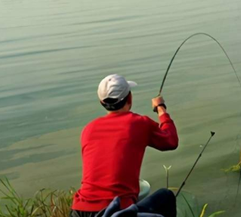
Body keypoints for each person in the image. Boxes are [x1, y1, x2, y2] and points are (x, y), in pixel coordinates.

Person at [70, 74, 179, 217]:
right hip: (116, 211)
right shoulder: (139, 123)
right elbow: (171, 141)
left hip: (79, 211)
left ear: (102, 102)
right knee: (166, 196)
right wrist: (160, 108)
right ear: (130, 98)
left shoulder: (88, 129)